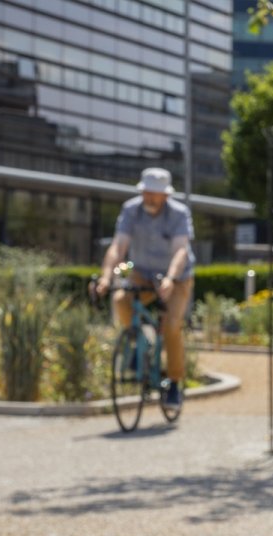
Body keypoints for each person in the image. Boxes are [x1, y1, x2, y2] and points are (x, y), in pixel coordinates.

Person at [95, 167, 195, 411]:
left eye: (154, 194)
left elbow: (181, 250)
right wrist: (106, 277)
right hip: (143, 272)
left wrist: (171, 278)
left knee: (172, 326)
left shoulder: (179, 214)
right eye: (146, 193)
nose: (149, 198)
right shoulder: (131, 209)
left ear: (166, 196)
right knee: (120, 299)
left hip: (177, 276)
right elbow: (118, 246)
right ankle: (138, 342)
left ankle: (173, 383)